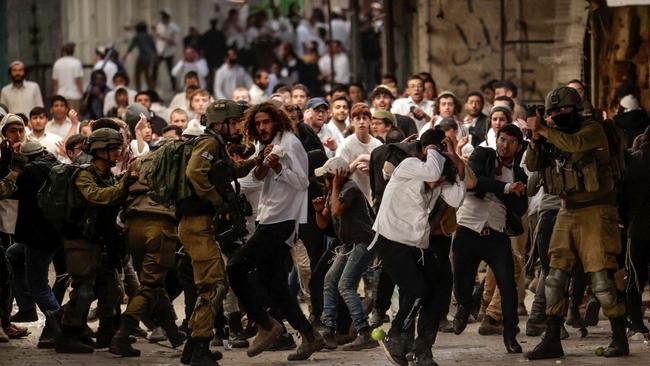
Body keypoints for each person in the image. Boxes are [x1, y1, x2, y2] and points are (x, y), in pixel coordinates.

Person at [525, 87, 629, 360]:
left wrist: (546, 131)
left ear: (576, 109)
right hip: (566, 210)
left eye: (563, 110)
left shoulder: (593, 130)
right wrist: (535, 138)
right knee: (555, 277)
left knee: (602, 281)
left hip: (597, 211)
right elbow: (532, 164)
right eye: (553, 112)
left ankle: (619, 338)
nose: (559, 115)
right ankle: (551, 338)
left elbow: (575, 145)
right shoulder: (553, 135)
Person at [227, 102, 325, 361]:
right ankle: (309, 336)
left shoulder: (291, 143)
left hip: (282, 220)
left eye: (265, 122)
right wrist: (258, 167)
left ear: (277, 121)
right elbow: (258, 179)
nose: (261, 127)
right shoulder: (264, 145)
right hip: (267, 216)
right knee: (276, 285)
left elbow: (303, 181)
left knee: (236, 267)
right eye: (257, 123)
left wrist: (279, 167)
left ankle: (265, 324)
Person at [371, 128, 465, 366]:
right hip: (390, 239)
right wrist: (433, 146)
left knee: (433, 291)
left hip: (414, 245)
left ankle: (415, 349)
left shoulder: (438, 178)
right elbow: (432, 169)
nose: (436, 181)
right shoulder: (410, 165)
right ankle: (397, 336)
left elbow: (457, 199)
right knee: (417, 290)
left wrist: (455, 159)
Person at [177, 100, 259, 365]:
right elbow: (195, 172)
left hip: (201, 224)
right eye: (234, 122)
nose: (237, 127)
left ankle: (193, 345)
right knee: (214, 284)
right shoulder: (208, 143)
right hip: (196, 224)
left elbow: (230, 171)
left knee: (211, 283)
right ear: (219, 123)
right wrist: (217, 201)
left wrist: (258, 160)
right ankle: (200, 347)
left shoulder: (217, 145)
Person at [108, 133, 186, 357]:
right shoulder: (178, 163)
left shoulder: (139, 162)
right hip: (160, 227)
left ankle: (173, 333)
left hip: (134, 226)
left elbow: (121, 190)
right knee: (150, 285)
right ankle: (123, 335)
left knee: (154, 282)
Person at [452, 123, 527, 354]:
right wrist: (506, 188)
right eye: (502, 139)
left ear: (518, 146)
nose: (504, 145)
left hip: (496, 234)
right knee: (462, 282)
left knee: (508, 285)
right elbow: (476, 182)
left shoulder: (520, 172)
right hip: (467, 230)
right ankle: (465, 305)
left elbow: (521, 206)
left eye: (510, 142)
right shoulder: (482, 154)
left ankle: (510, 335)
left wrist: (503, 189)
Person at [55, 127, 127, 354]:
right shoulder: (84, 173)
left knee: (110, 288)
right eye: (113, 149)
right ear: (99, 150)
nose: (118, 153)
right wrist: (123, 185)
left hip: (99, 240)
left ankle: (105, 333)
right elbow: (97, 196)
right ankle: (69, 334)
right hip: (79, 240)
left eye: (118, 148)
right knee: (83, 288)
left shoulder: (106, 174)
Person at [314, 157, 378, 351]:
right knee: (329, 279)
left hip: (364, 241)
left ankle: (364, 331)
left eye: (327, 176)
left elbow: (335, 210)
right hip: (349, 243)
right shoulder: (332, 192)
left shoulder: (349, 187)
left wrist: (335, 186)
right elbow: (323, 223)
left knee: (345, 284)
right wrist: (318, 211)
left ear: (336, 176)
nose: (324, 180)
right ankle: (329, 326)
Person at [4, 141, 61, 347]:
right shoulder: (55, 165)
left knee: (39, 285)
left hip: (37, 237)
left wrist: (12, 170)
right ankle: (27, 307)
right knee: (13, 255)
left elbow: (9, 191)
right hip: (52, 234)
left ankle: (58, 326)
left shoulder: (30, 172)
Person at [623, 126, 650, 336]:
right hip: (638, 222)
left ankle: (636, 322)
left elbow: (622, 195)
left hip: (637, 225)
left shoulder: (633, 161)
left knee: (634, 277)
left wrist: (625, 220)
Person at [336, 103, 383, 203]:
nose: (361, 122)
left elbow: (384, 174)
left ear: (370, 121)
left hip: (373, 198)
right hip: (350, 199)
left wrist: (371, 172)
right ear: (352, 122)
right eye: (358, 118)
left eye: (365, 118)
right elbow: (339, 177)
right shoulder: (345, 145)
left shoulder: (378, 144)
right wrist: (358, 160)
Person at [124, 21, 158, 91]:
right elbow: (153, 47)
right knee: (147, 74)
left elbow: (131, 46)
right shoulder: (149, 36)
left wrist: (126, 54)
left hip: (142, 57)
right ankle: (151, 89)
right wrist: (156, 56)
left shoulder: (137, 37)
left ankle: (138, 89)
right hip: (150, 58)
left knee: (137, 74)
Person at [154, 9, 181, 91]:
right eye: (162, 17)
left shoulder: (174, 28)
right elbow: (158, 37)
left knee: (170, 70)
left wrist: (164, 38)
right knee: (154, 68)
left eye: (164, 17)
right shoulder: (159, 25)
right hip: (160, 51)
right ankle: (153, 85)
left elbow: (175, 42)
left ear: (168, 17)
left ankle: (174, 86)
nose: (163, 18)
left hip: (169, 52)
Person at [52, 43, 84, 111]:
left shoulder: (57, 63)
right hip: (74, 95)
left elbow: (55, 82)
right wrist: (82, 93)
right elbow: (78, 80)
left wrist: (55, 95)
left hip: (61, 94)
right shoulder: (76, 63)